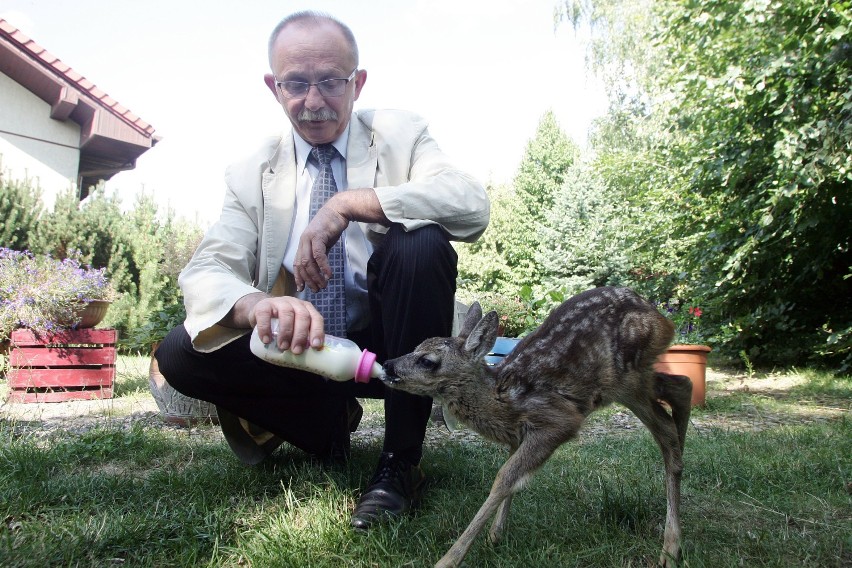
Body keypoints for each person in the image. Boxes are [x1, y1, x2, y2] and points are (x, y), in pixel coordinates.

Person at [155, 10, 489, 530]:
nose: (314, 102)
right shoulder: (250, 171)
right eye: (297, 84)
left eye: (331, 82)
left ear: (358, 82)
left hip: (390, 345)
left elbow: (469, 203)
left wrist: (349, 204)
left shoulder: (401, 132)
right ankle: (325, 425)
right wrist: (257, 306)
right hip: (302, 353)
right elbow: (208, 268)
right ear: (274, 86)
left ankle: (401, 462)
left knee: (419, 243)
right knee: (180, 350)